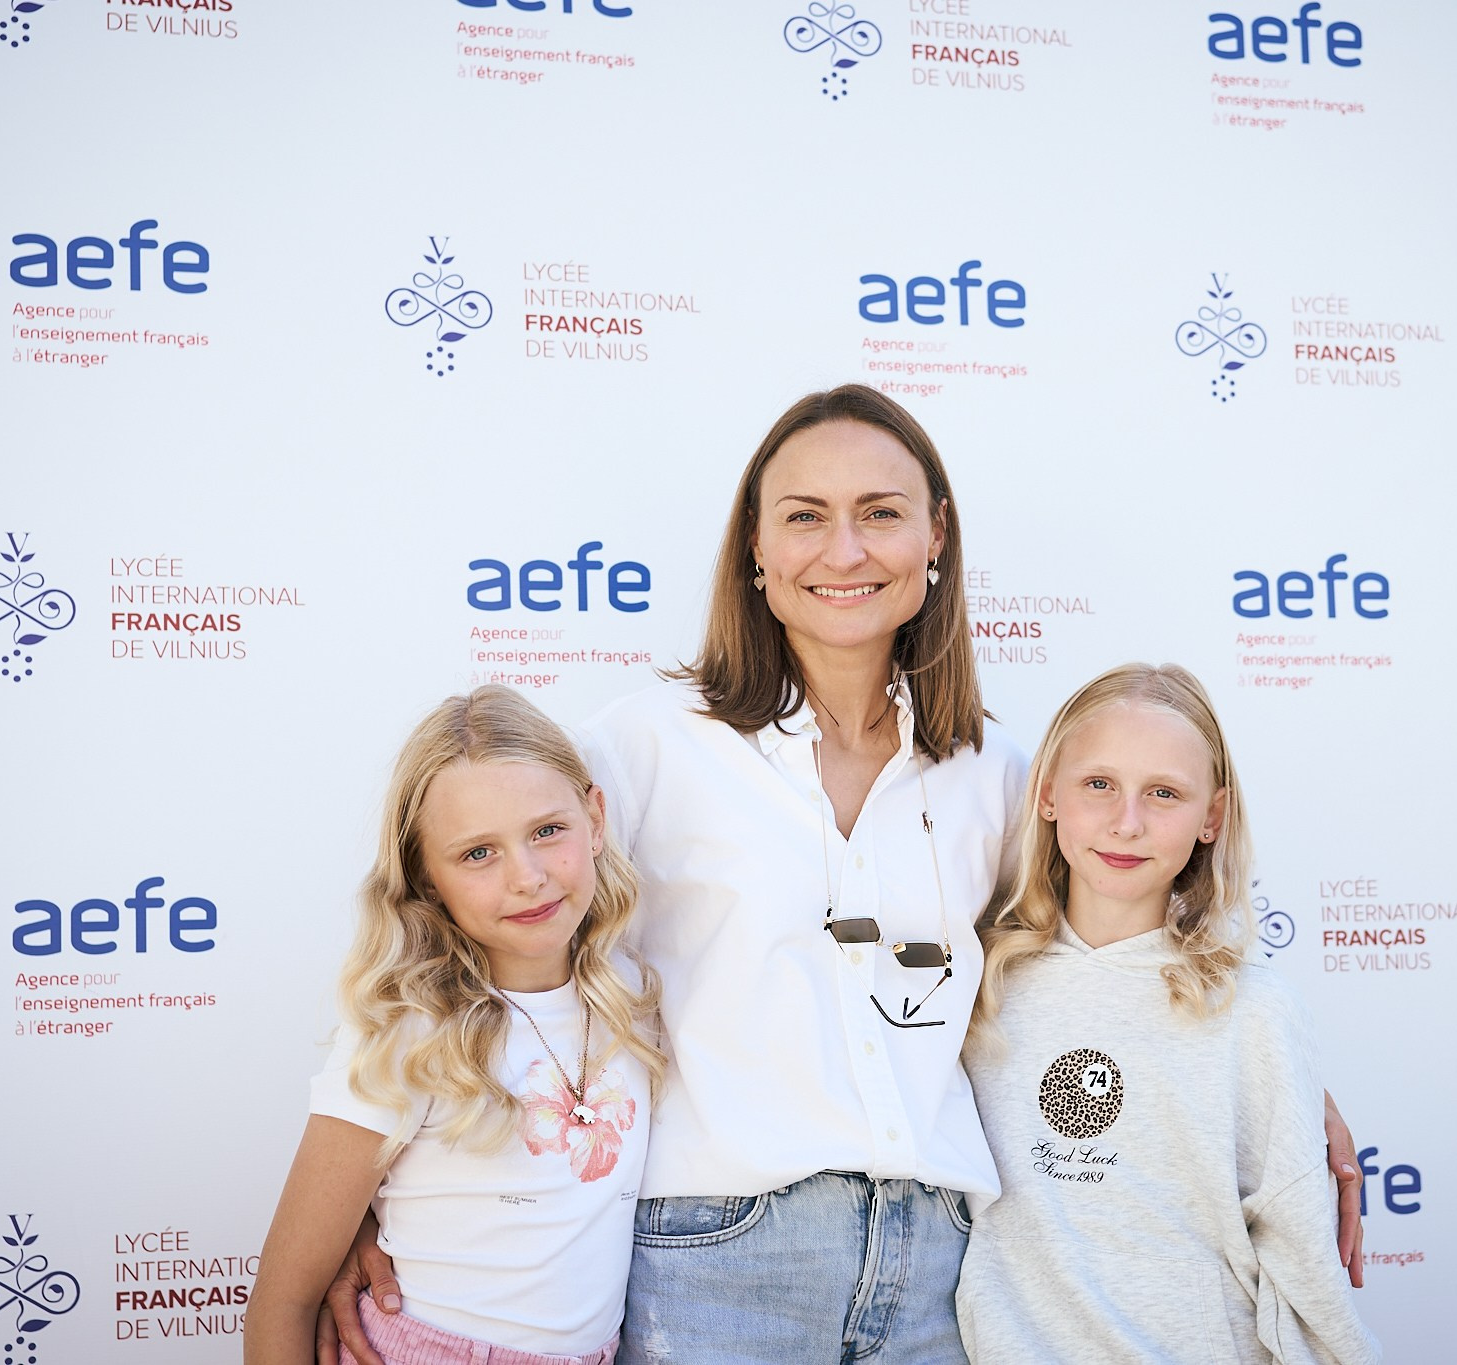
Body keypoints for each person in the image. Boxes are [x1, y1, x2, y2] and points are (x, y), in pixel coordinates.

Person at [324, 386, 1366, 1365]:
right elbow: (467, 917)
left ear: (934, 538)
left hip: (941, 1277)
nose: (844, 549)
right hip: (714, 1265)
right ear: (755, 550)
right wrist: (374, 1190)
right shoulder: (643, 747)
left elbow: (1119, 929)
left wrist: (1277, 1084)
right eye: (805, 516)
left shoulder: (996, 776)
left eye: (879, 513)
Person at [957, 663, 1380, 1364]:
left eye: (1164, 792)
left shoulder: (1254, 1011)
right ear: (1047, 793)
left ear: (1211, 815)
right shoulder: (975, 988)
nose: (1127, 821)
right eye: (1099, 783)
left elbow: (1303, 1257)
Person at [246, 686, 664, 1365]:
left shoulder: (633, 996)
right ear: (427, 876)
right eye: (478, 853)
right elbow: (284, 1296)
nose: (526, 877)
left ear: (595, 816)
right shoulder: (411, 1030)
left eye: (546, 831)